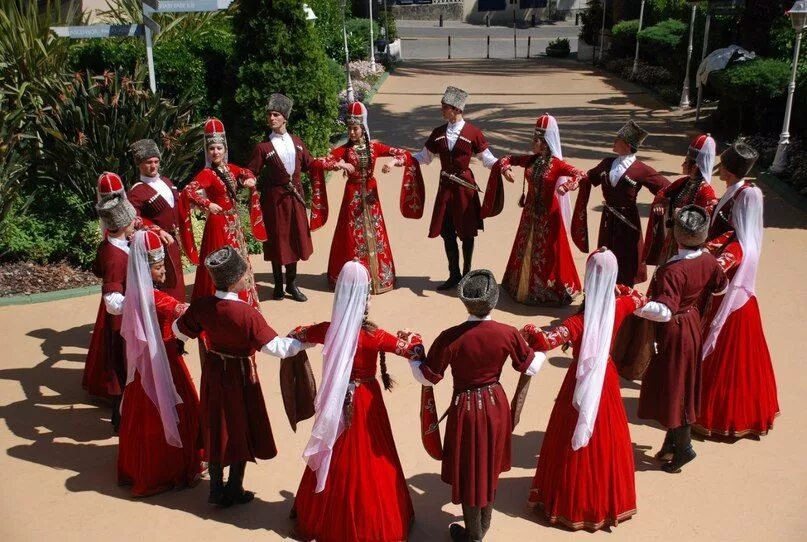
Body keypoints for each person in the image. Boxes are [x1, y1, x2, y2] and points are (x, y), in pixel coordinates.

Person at [288, 261, 424, 542]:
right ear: (363, 299)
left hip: (336, 403)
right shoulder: (373, 335)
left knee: (333, 451)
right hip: (365, 400)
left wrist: (300, 334)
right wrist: (413, 336)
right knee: (371, 458)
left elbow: (298, 334)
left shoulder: (328, 330)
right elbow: (412, 351)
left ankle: (321, 513)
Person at [410, 269, 545, 541]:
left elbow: (427, 376)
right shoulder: (507, 333)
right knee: (489, 463)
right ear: (493, 300)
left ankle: (473, 534)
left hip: (465, 409)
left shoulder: (450, 337)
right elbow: (531, 366)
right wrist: (539, 343)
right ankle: (484, 523)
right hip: (496, 405)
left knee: (470, 468)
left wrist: (414, 355)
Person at [520, 249, 647, 530]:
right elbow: (641, 298)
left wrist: (530, 329)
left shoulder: (578, 321)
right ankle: (605, 503)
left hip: (578, 381)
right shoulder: (622, 306)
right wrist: (621, 288)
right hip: (607, 380)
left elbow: (546, 340)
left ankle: (568, 502)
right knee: (608, 439)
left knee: (568, 435)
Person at [172, 246, 307, 507]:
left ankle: (215, 487)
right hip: (241, 375)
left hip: (213, 372)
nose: (248, 277)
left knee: (215, 423)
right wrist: (304, 341)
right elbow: (277, 348)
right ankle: (234, 488)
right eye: (245, 274)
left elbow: (179, 330)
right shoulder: (247, 314)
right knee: (239, 426)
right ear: (235, 280)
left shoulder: (203, 306)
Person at [635, 206, 727, 473]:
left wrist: (636, 304)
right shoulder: (709, 260)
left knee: (675, 389)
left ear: (676, 236)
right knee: (679, 386)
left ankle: (684, 448)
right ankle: (671, 443)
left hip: (674, 331)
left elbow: (664, 311)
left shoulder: (671, 271)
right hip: (692, 324)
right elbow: (722, 287)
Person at [117, 230, 203, 496]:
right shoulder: (158, 299)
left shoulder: (132, 295)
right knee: (178, 410)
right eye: (157, 267)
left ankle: (139, 467)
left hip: (143, 368)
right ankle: (171, 469)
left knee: (140, 416)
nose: (164, 270)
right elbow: (187, 314)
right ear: (145, 268)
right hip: (165, 359)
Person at [310, 101, 424, 294]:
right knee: (351, 234)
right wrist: (340, 165)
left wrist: (394, 162)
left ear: (363, 128)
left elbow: (404, 154)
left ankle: (378, 276)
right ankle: (352, 278)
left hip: (371, 195)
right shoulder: (344, 150)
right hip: (352, 196)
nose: (352, 133)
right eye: (350, 129)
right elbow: (318, 163)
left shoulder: (374, 148)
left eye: (355, 129)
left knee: (376, 232)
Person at [696, 185, 779, 438]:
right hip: (747, 306)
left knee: (722, 365)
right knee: (749, 367)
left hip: (728, 309)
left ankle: (717, 418)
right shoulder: (752, 241)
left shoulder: (736, 248)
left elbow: (716, 271)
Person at [411, 86, 511, 291]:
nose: (442, 110)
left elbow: (487, 158)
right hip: (445, 190)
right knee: (447, 233)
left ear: (456, 109)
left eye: (445, 107)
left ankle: (467, 274)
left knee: (467, 233)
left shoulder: (473, 133)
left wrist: (504, 168)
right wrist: (401, 160)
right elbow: (424, 157)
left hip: (465, 189)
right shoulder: (438, 133)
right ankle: (453, 274)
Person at [484, 114, 585, 306]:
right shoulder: (531, 161)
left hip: (549, 216)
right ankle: (520, 287)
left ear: (545, 143)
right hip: (530, 213)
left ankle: (547, 290)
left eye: (535, 141)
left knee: (548, 253)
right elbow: (506, 158)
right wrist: (506, 170)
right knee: (525, 248)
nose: (532, 144)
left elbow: (580, 174)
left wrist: (567, 186)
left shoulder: (557, 165)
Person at [559, 120, 669, 286]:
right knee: (605, 252)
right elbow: (588, 177)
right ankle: (603, 288)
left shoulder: (641, 169)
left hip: (628, 220)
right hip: (608, 218)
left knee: (627, 255)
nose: (614, 141)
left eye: (617, 139)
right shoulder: (607, 163)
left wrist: (660, 200)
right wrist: (571, 183)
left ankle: (624, 292)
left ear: (626, 144)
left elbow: (666, 186)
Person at [180, 117, 264, 308]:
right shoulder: (207, 174)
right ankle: (221, 306)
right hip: (217, 226)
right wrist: (207, 204)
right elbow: (188, 191)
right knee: (223, 265)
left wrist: (249, 180)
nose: (215, 152)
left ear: (225, 148)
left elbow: (245, 172)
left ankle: (244, 304)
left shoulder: (231, 168)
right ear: (207, 151)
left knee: (239, 262)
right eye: (211, 149)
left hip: (234, 225)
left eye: (219, 148)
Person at [247, 93, 315, 302]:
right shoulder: (263, 147)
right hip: (274, 202)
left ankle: (291, 284)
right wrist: (248, 180)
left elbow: (310, 164)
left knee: (294, 240)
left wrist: (333, 162)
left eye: (276, 114)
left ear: (285, 117)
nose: (272, 118)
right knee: (277, 241)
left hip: (295, 200)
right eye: (269, 115)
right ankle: (278, 285)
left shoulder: (296, 142)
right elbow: (251, 171)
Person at [83, 194, 136, 431]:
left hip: (122, 321)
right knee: (123, 367)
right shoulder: (115, 257)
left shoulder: (107, 246)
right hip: (122, 323)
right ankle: (121, 420)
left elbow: (96, 270)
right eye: (133, 219)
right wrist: (141, 302)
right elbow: (113, 301)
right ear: (124, 224)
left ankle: (120, 417)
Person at [643, 134, 718, 266]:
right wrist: (661, 203)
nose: (682, 164)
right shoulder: (683, 183)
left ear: (695, 167)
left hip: (689, 251)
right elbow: (662, 194)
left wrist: (679, 215)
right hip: (672, 242)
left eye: (686, 161)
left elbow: (706, 224)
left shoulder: (706, 193)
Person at [128, 139, 186, 302]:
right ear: (139, 164)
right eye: (148, 162)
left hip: (174, 242)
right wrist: (157, 230)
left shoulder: (167, 182)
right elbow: (134, 220)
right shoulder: (137, 191)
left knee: (177, 280)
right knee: (165, 283)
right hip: (156, 247)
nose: (153, 166)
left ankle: (178, 316)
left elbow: (179, 204)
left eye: (156, 161)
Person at [708, 141, 759, 240]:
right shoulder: (734, 190)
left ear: (729, 171)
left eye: (722, 165)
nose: (719, 168)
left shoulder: (740, 197)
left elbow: (734, 234)